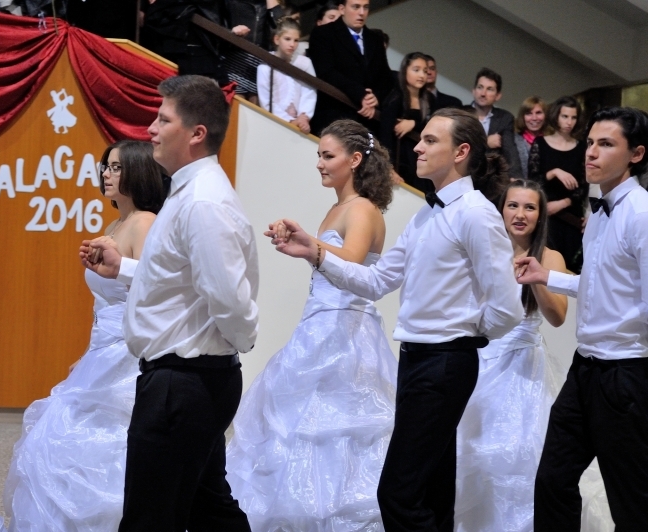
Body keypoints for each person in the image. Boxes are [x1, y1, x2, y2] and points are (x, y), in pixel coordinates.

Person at [268, 107, 522, 532]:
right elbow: (376, 280)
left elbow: (507, 307)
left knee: (397, 493)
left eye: (429, 140)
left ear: (461, 152)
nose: (417, 147)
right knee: (432, 492)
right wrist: (314, 251)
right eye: (420, 139)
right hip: (417, 359)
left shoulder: (476, 213)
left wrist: (462, 336)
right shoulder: (428, 214)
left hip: (445, 361)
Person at [80, 75, 258, 532]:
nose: (151, 130)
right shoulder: (187, 191)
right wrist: (122, 267)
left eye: (163, 119)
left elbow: (228, 297)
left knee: (149, 517)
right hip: (189, 379)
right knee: (208, 508)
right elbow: (184, 279)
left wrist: (234, 346)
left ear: (197, 133)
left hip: (185, 382)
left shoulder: (202, 201)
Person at [228, 119, 397, 531]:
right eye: (318, 155)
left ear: (355, 160)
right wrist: (302, 245)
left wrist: (308, 245)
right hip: (318, 327)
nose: (319, 163)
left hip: (345, 337)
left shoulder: (361, 209)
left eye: (328, 155)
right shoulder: (338, 207)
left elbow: (352, 261)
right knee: (294, 431)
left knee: (334, 434)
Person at [6, 141, 166, 531]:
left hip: (129, 351)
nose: (106, 174)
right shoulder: (114, 225)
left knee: (109, 440)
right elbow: (103, 303)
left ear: (137, 172)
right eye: (105, 167)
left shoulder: (145, 221)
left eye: (115, 168)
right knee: (63, 434)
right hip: (103, 347)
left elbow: (153, 291)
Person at [516, 106, 648, 532]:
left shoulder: (642, 214)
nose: (590, 152)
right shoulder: (597, 214)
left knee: (631, 498)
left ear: (636, 154)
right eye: (590, 142)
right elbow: (600, 282)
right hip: (585, 368)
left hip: (625, 374)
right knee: (552, 480)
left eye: (605, 144)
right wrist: (547, 276)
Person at [454, 179, 569, 532]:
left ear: (540, 214)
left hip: (524, 369)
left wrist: (535, 277)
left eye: (530, 207)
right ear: (500, 210)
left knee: (521, 458)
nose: (520, 214)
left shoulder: (551, 256)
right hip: (478, 361)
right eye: (513, 205)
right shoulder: (481, 250)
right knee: (467, 455)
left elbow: (558, 317)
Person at [307, 0, 394, 135]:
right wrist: (360, 94)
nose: (361, 12)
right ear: (342, 9)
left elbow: (386, 77)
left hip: (366, 121)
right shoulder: (323, 33)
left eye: (365, 7)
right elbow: (326, 72)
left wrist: (375, 97)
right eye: (356, 7)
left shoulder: (375, 39)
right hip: (333, 114)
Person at [528, 96, 587, 273]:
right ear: (556, 117)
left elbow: (584, 186)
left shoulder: (582, 147)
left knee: (570, 269)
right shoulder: (540, 143)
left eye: (573, 117)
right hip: (545, 215)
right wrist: (554, 172)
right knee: (544, 265)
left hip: (571, 218)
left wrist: (562, 203)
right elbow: (533, 181)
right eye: (565, 116)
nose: (569, 122)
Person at [379, 52, 436, 193]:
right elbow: (384, 132)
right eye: (416, 70)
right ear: (405, 71)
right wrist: (388, 166)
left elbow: (433, 127)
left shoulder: (429, 100)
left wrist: (414, 124)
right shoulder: (397, 96)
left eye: (425, 71)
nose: (422, 75)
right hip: (399, 157)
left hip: (419, 159)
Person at [257, 17, 317, 134]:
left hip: (300, 124)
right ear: (277, 39)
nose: (292, 44)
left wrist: (303, 116)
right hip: (274, 124)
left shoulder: (304, 63)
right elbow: (267, 102)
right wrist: (290, 121)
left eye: (296, 40)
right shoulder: (265, 67)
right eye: (287, 39)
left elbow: (309, 91)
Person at [467, 67, 523, 178]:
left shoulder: (505, 118)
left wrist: (516, 178)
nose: (483, 93)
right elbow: (456, 145)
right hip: (462, 171)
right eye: (480, 87)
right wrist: (486, 143)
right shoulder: (460, 112)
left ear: (497, 96)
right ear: (473, 91)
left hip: (488, 177)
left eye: (490, 89)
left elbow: (510, 151)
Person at [224, 0, 284, 100]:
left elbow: (283, 28)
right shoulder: (233, 3)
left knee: (254, 110)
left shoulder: (267, 6)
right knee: (235, 107)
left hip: (259, 64)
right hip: (236, 60)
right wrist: (232, 32)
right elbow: (219, 23)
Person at [514, 96, 547, 178]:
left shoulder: (552, 139)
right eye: (529, 113)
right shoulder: (513, 140)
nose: (534, 118)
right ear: (522, 117)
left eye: (538, 113)